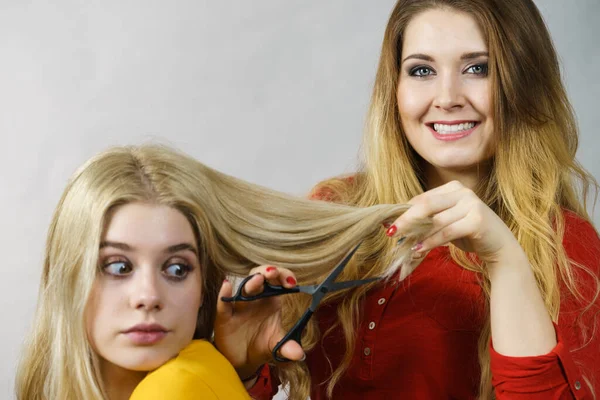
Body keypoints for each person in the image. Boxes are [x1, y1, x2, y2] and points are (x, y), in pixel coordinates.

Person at [213, 0, 600, 399]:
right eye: (422, 70)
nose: (447, 97)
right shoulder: (336, 206)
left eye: (477, 68)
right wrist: (241, 367)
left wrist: (505, 261)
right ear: (394, 88)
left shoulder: (570, 247)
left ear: (523, 83)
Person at [14, 144, 425, 400]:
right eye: (118, 266)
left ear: (203, 288)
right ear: (67, 279)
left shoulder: (179, 390)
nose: (148, 296)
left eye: (176, 268)